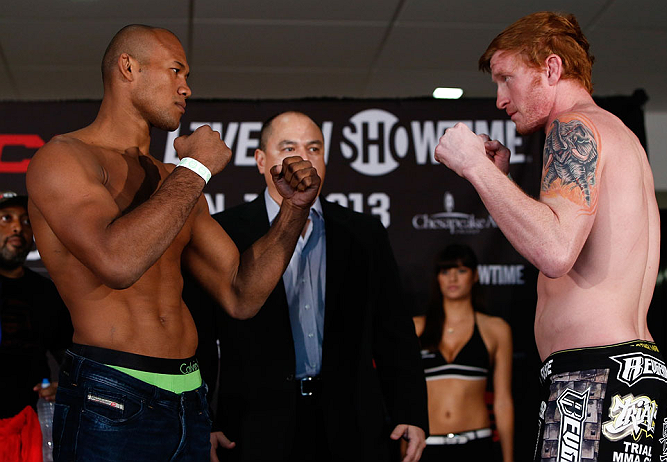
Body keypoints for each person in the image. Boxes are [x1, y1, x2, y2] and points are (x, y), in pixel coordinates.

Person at [25, 25, 320, 461]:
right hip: (111, 396)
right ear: (128, 67)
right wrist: (197, 167)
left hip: (190, 398)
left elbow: (242, 294)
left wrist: (293, 211)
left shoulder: (173, 179)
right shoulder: (65, 158)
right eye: (176, 71)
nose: (187, 88)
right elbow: (117, 262)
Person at [434, 11, 667, 462]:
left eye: (507, 79)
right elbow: (569, 233)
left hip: (592, 377)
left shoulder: (573, 127)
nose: (500, 99)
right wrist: (497, 181)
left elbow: (556, 250)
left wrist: (474, 166)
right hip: (631, 374)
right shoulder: (619, 135)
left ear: (552, 68)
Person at [197, 111, 428, 462]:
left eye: (314, 148)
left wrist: (410, 411)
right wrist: (205, 419)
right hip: (254, 426)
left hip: (351, 424)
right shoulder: (225, 231)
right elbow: (202, 334)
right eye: (288, 147)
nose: (302, 158)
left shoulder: (364, 232)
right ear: (261, 161)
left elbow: (393, 330)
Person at [413, 244, 513, 462]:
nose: (452, 279)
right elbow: (405, 394)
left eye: (461, 271)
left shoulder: (496, 329)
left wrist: (508, 458)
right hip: (427, 446)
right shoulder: (416, 328)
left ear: (475, 275)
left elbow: (503, 400)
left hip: (476, 444)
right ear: (437, 278)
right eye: (445, 271)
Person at [0, 191, 72, 417]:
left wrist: (66, 387)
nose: (17, 228)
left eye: (26, 221)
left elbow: (69, 357)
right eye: (6, 218)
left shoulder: (46, 291)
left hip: (28, 424)